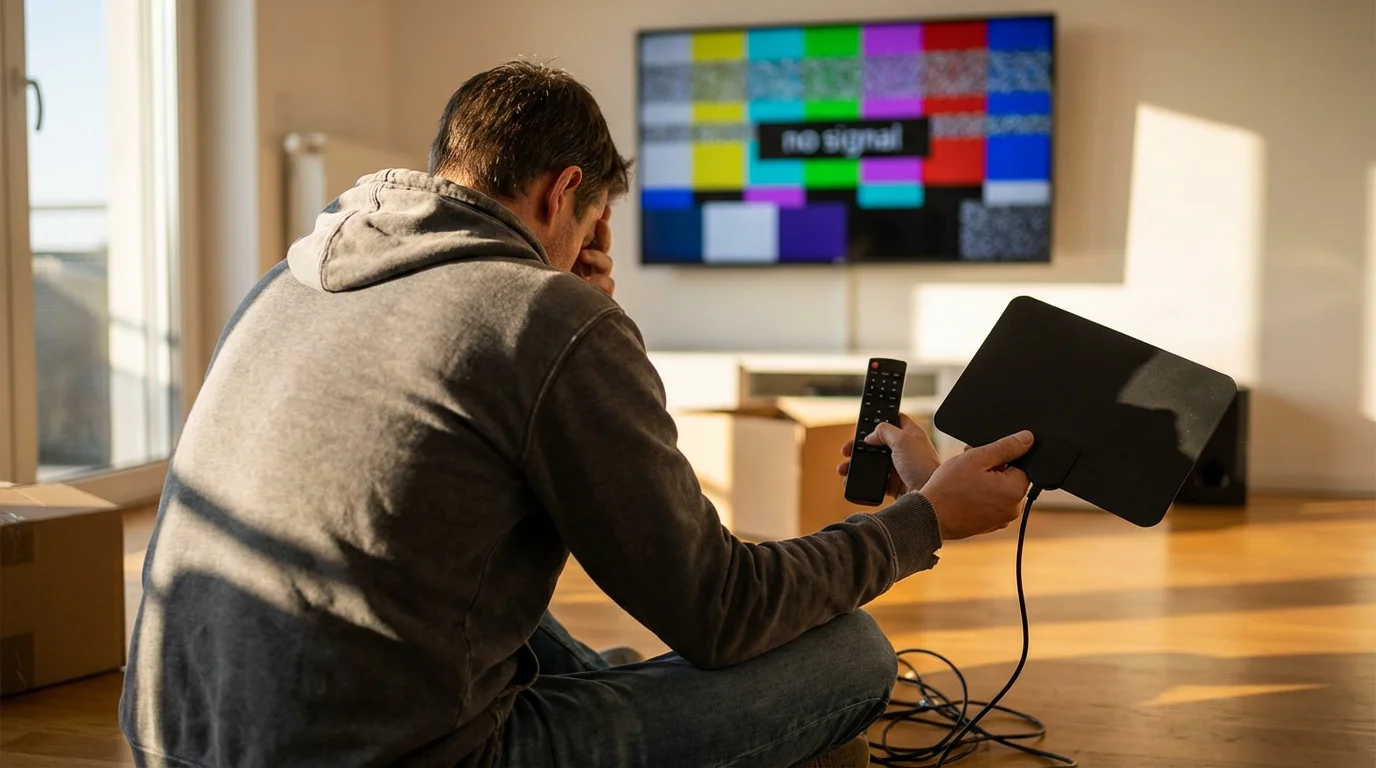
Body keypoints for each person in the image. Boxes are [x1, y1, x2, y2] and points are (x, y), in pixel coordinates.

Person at [119, 60, 1035, 768]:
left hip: (177, 738)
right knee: (850, 653)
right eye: (595, 222)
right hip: (400, 757)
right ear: (565, 195)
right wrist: (926, 519)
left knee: (513, 609)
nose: (592, 248)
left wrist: (592, 322)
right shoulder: (544, 317)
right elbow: (719, 610)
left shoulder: (285, 278)